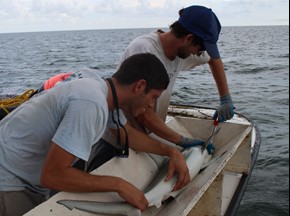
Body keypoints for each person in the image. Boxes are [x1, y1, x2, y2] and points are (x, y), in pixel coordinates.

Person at [0, 53, 190, 216]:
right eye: (154, 97)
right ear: (140, 86)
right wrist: (119, 184)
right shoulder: (91, 104)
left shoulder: (101, 88)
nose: (150, 105)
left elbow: (127, 135)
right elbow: (53, 176)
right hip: (9, 183)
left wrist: (172, 151)